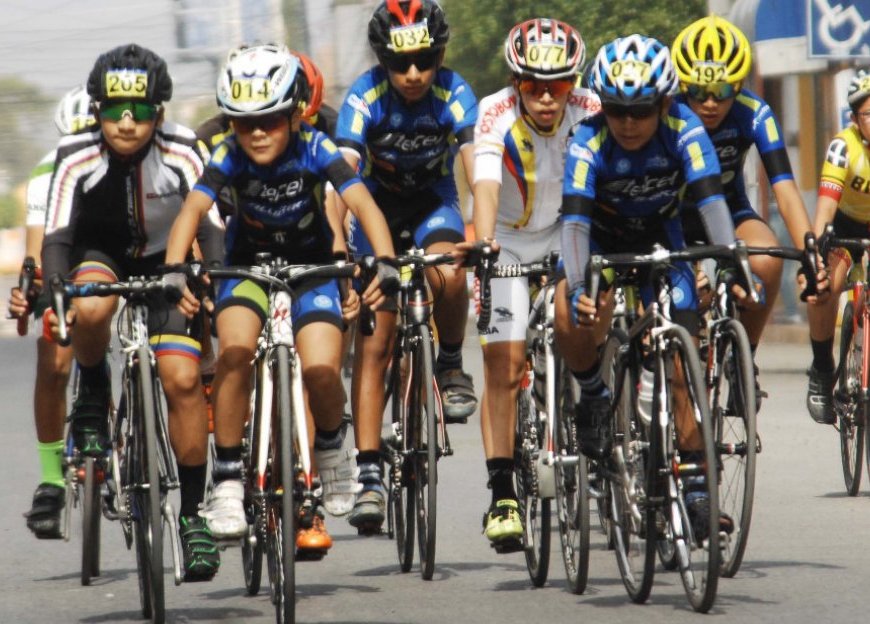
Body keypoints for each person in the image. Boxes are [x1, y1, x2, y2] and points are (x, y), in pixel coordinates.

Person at [164, 44, 397, 555]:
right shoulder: (227, 153)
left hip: (311, 267)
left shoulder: (316, 146)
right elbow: (192, 211)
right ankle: (228, 479)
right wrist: (176, 269)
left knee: (321, 369)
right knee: (234, 351)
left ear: (294, 115)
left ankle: (331, 445)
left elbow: (362, 203)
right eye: (244, 123)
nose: (257, 133)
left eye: (270, 120)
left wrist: (384, 260)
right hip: (247, 266)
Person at [40, 44, 224, 581]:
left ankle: (193, 516)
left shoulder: (184, 149)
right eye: (115, 110)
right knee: (90, 304)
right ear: (96, 109)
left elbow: (211, 224)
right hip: (99, 255)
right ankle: (94, 390)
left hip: (167, 261)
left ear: (158, 113)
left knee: (182, 379)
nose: (126, 122)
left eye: (139, 110)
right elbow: (56, 236)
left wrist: (209, 278)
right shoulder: (75, 154)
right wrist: (56, 287)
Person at [556, 34, 739, 536]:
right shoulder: (587, 140)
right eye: (616, 110)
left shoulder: (685, 129)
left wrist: (730, 265)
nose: (628, 123)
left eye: (640, 111)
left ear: (663, 104)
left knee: (682, 363)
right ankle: (593, 392)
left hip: (662, 237)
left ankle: (697, 490)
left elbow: (712, 203)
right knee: (570, 312)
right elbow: (574, 225)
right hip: (600, 240)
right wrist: (578, 289)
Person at [336, 0, 479, 533]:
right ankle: (369, 474)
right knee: (374, 344)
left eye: (425, 60)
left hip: (432, 204)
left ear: (439, 56)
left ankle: (450, 364)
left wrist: (481, 231)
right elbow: (342, 175)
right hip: (375, 208)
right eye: (400, 64)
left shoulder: (454, 91)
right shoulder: (364, 96)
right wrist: (338, 245)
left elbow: (474, 163)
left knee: (451, 271)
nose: (414, 73)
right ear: (383, 62)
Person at [468, 18, 598, 546]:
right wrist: (483, 246)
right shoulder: (494, 112)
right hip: (507, 240)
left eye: (559, 85)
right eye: (533, 85)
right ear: (514, 81)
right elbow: (484, 184)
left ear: (574, 83)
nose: (546, 97)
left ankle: (600, 420)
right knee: (505, 364)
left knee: (592, 322)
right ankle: (502, 494)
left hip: (568, 234)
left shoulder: (591, 109)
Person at [671, 15, 815, 409]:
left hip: (731, 211)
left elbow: (784, 188)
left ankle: (742, 359)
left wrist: (810, 249)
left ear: (738, 85)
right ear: (682, 85)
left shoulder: (754, 112)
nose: (710, 102)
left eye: (722, 91)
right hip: (672, 217)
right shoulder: (667, 114)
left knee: (766, 259)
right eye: (698, 91)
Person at [10, 86, 95, 540]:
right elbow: (35, 252)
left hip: (111, 257)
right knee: (54, 357)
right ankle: (51, 479)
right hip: (62, 259)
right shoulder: (47, 171)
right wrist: (30, 291)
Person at [804, 69, 870, 424]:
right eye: (869, 114)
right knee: (824, 287)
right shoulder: (843, 147)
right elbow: (826, 208)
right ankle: (822, 367)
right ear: (855, 119)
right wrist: (817, 251)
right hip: (844, 226)